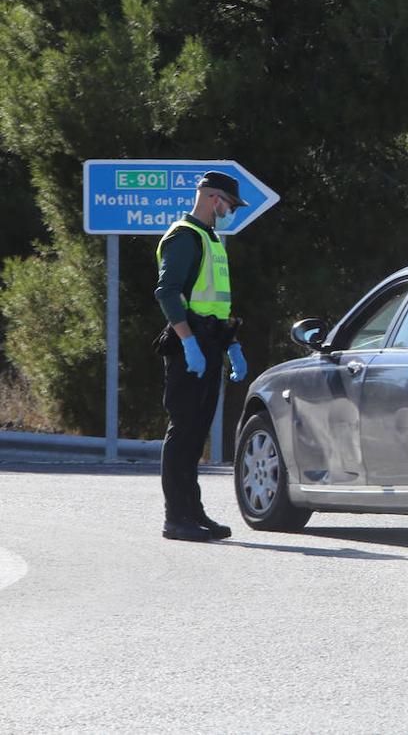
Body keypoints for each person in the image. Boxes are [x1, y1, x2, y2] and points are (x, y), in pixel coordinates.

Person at [153, 171, 249, 541]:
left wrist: (232, 344)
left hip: (210, 343)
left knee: (196, 435)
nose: (230, 212)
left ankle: (193, 512)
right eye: (229, 204)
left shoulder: (211, 239)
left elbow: (215, 304)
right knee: (183, 432)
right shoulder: (184, 237)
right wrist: (189, 343)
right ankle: (175, 517)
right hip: (187, 346)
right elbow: (167, 292)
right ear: (213, 199)